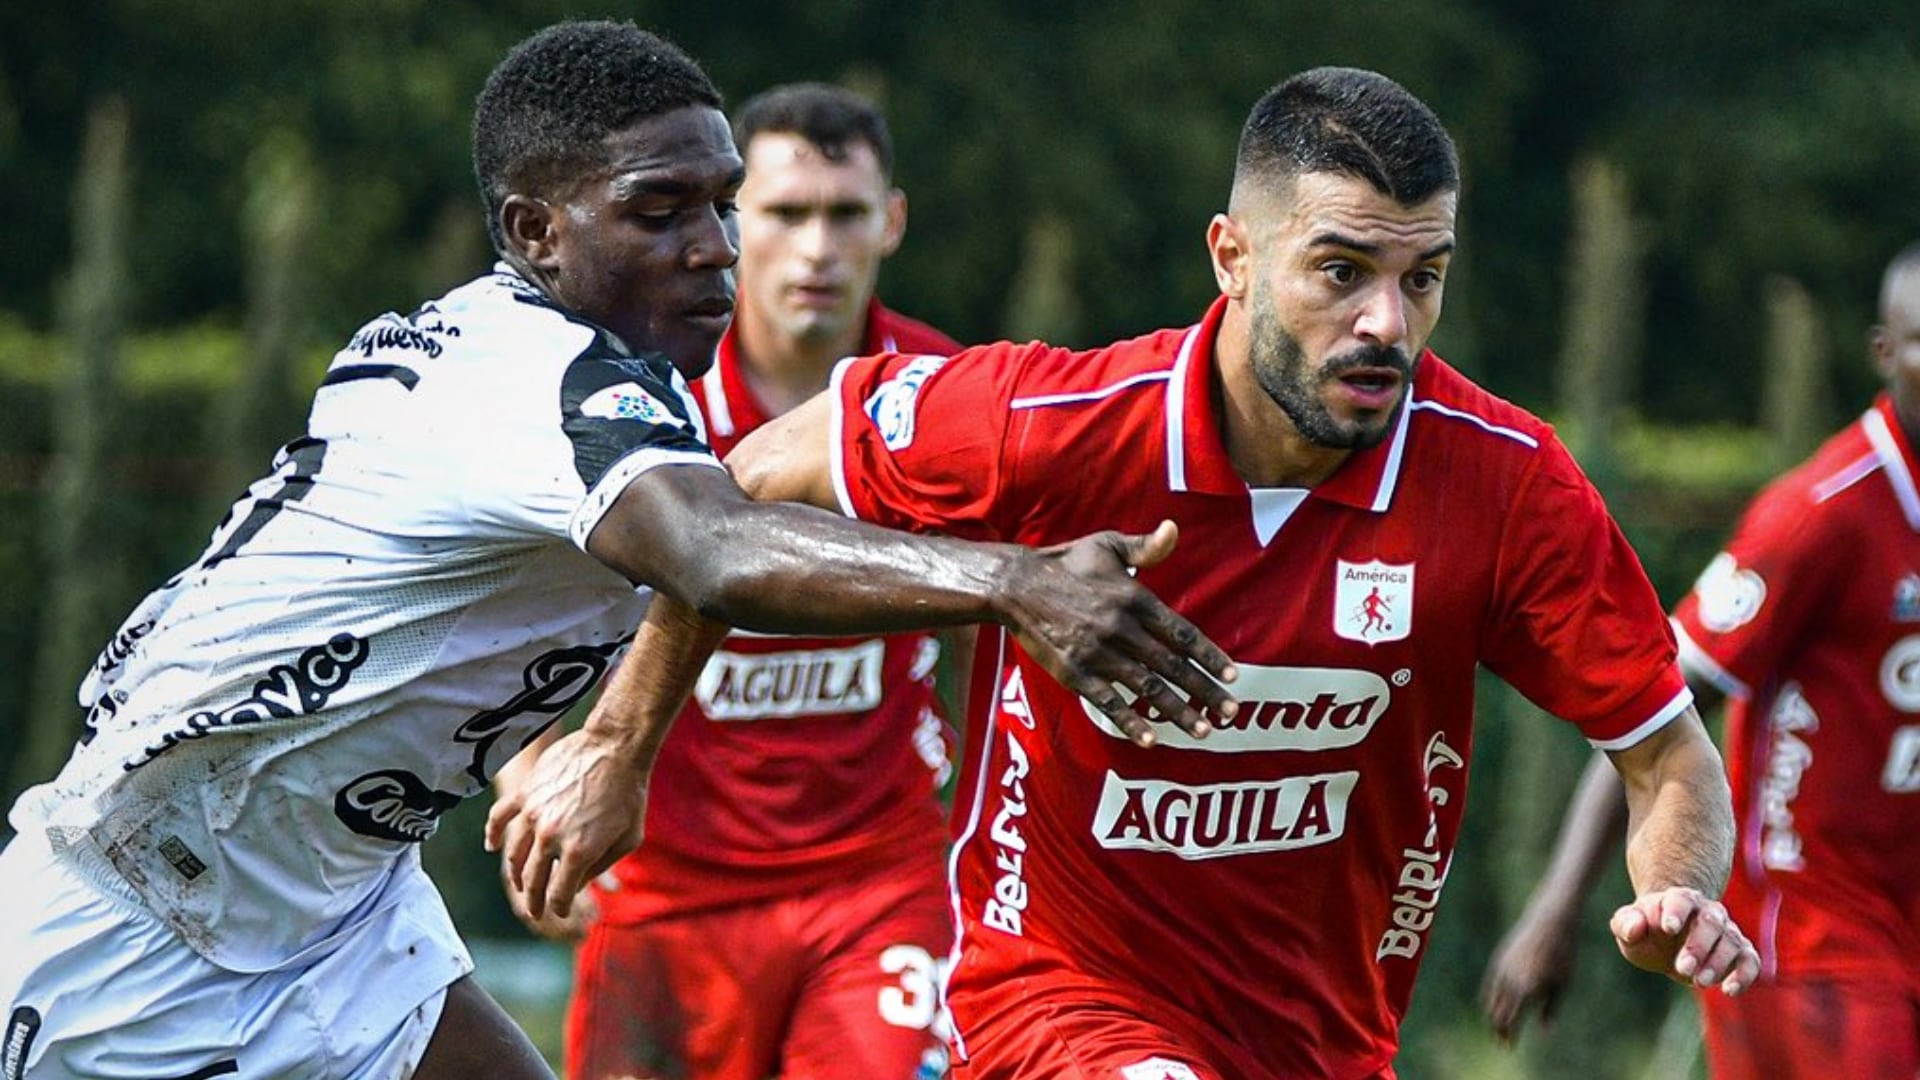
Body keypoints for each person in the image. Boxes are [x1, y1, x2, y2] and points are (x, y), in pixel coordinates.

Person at [0, 22, 1239, 1080]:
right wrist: (1017, 584)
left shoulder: (606, 388)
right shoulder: (534, 380)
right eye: (660, 212)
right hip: (139, 929)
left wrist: (598, 749)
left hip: (340, 912)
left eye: (720, 203)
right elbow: (714, 550)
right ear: (538, 231)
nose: (717, 246)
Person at [496, 66, 1762, 1079]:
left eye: (1421, 277)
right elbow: (740, 490)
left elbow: (1663, 754)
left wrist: (1681, 895)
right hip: (1047, 988)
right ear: (1232, 257)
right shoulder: (1052, 419)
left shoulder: (1505, 482)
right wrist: (617, 744)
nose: (1388, 322)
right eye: (1342, 271)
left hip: (1324, 1036)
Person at [495, 83, 968, 1080]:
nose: (816, 248)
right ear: (732, 220)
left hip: (879, 885)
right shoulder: (640, 400)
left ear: (892, 221)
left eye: (844, 214)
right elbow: (527, 589)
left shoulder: (945, 393)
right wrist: (529, 765)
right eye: (786, 212)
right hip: (662, 894)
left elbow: (995, 613)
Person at [1482, 241, 1920, 1077]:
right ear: (1885, 352)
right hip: (1809, 933)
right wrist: (1556, 909)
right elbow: (1651, 712)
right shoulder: (1819, 515)